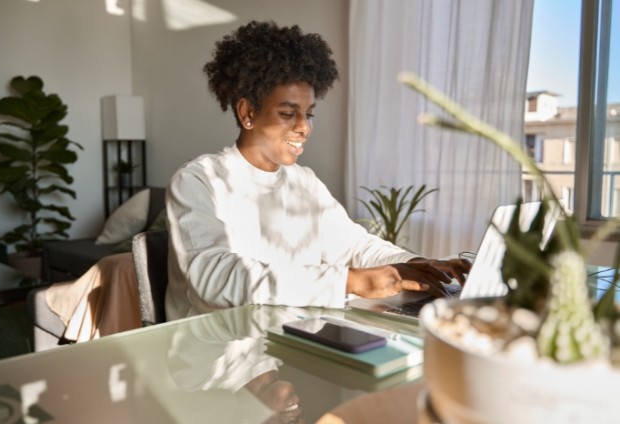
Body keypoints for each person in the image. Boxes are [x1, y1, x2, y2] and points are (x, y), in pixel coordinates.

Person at [165, 21, 470, 321]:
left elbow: (354, 246)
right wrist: (351, 281)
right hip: (217, 353)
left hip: (288, 340)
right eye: (288, 114)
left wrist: (416, 264)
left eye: (309, 114)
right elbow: (216, 278)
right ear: (247, 113)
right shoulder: (199, 180)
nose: (304, 127)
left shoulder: (303, 182)